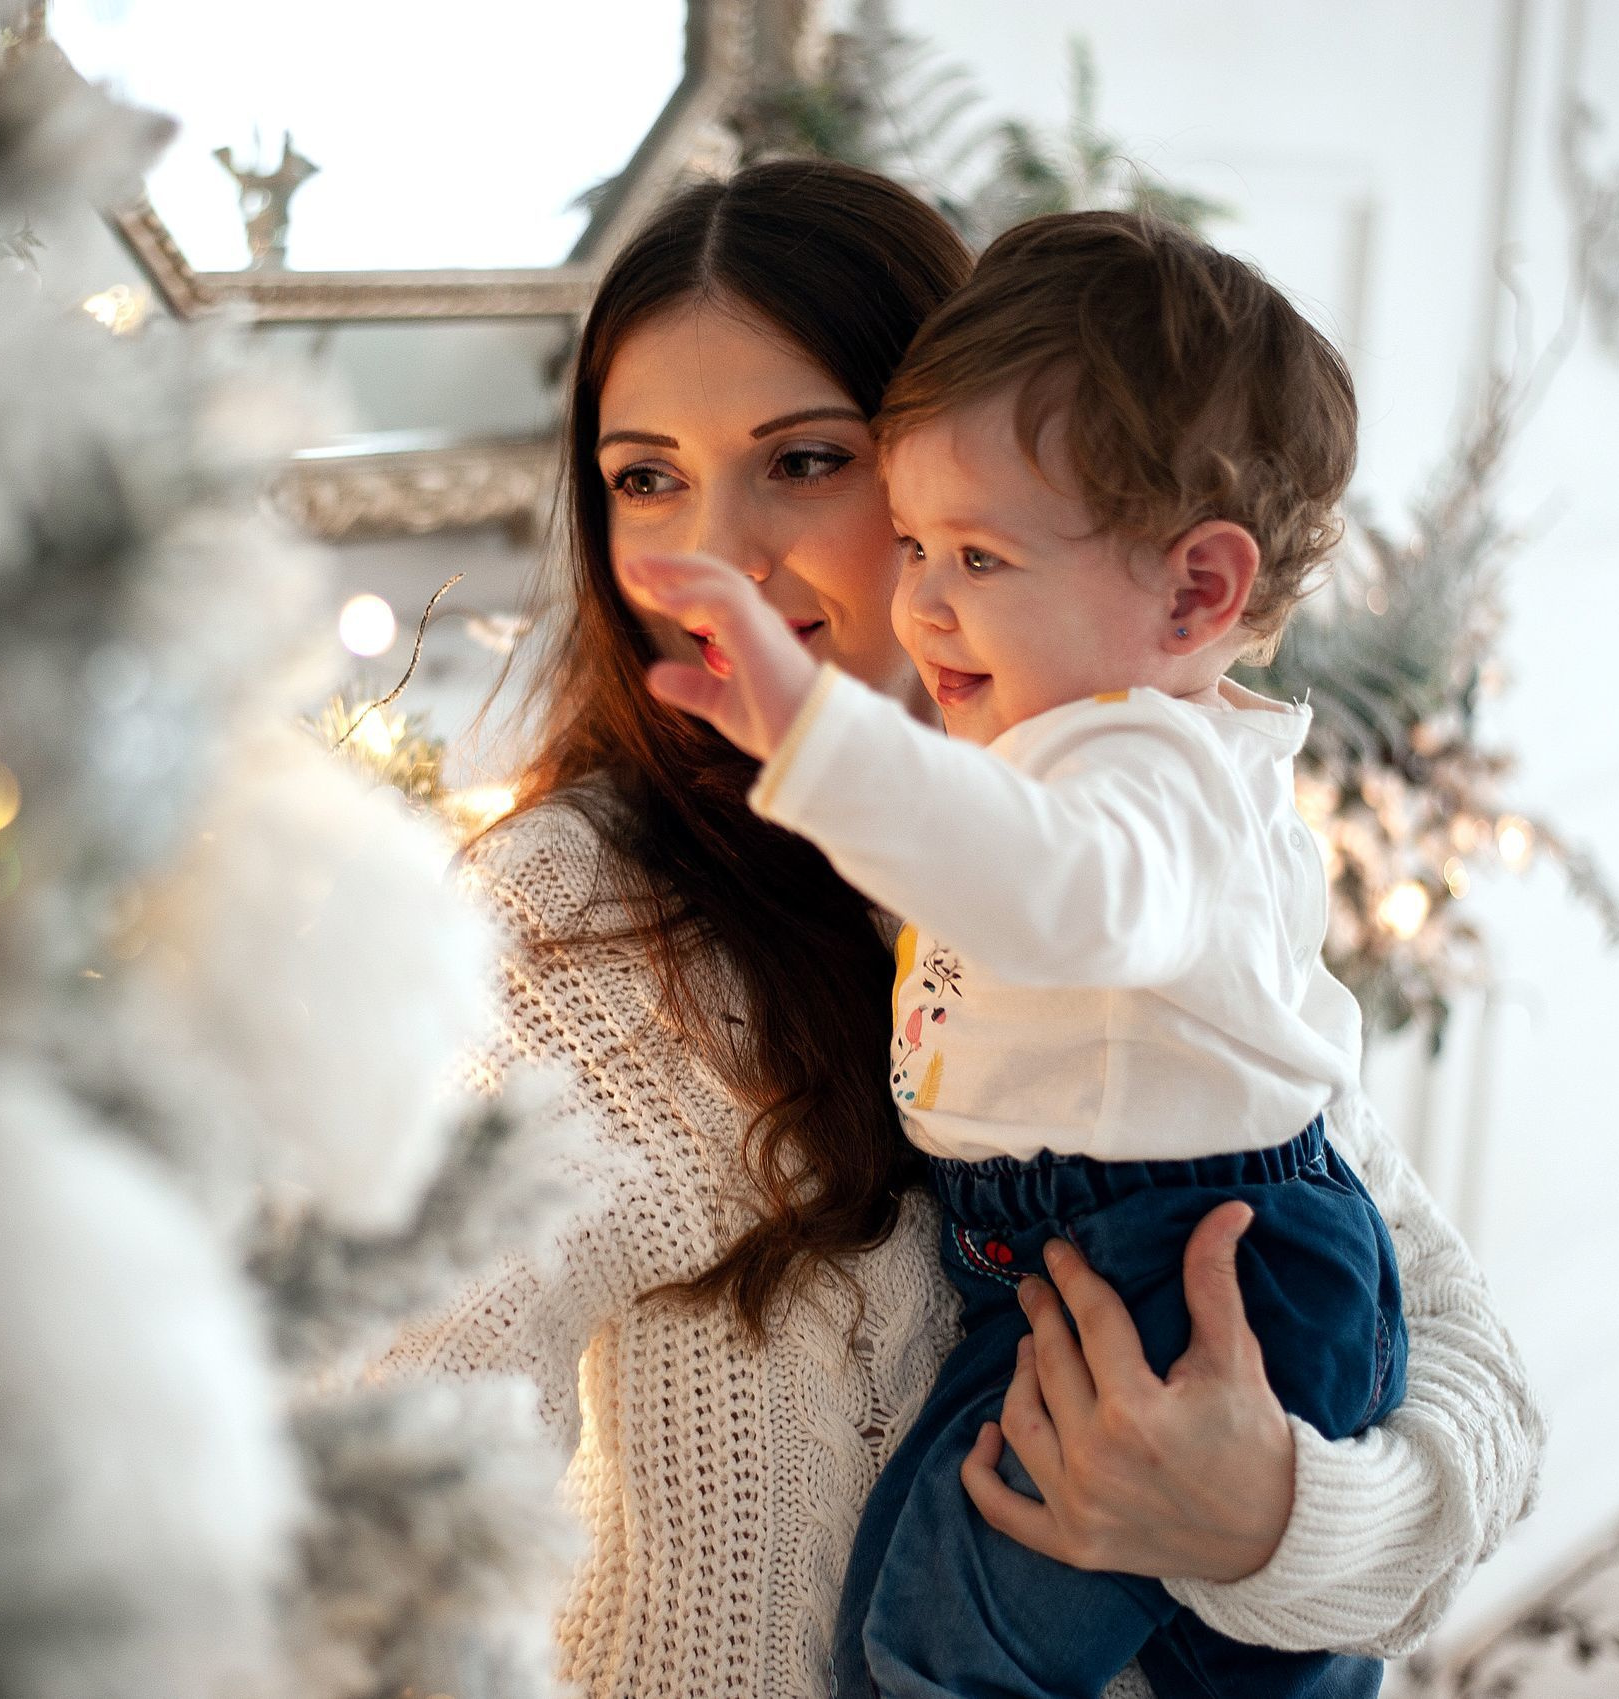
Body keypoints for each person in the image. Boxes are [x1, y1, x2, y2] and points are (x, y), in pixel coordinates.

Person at [385, 158, 1541, 1699]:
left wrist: (1272, 1519)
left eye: (807, 460)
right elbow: (393, 1483)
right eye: (644, 478)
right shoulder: (568, 924)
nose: (713, 557)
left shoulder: (1133, 818)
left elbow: (1465, 1364)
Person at [617, 208, 1403, 1699]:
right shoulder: (1066, 740)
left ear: (1196, 592)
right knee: (995, 1646)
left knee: (934, 1659)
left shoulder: (1144, 769)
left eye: (976, 555)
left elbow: (1062, 891)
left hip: (1183, 1260)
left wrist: (815, 740)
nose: (920, 600)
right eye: (914, 542)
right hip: (1065, 1257)